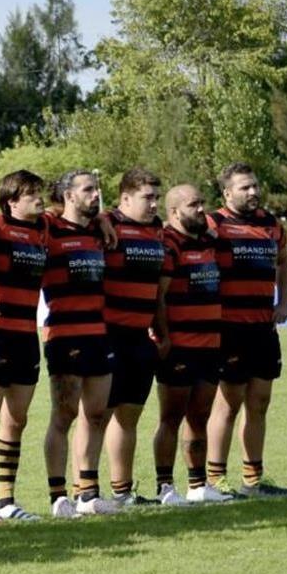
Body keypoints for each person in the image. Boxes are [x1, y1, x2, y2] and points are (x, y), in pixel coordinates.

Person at [205, 162, 287, 497]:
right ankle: (215, 479)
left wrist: (283, 303)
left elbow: (283, 260)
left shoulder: (271, 224)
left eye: (255, 185)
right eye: (245, 187)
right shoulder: (213, 224)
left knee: (260, 402)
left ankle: (253, 480)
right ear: (227, 193)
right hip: (229, 328)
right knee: (228, 404)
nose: (254, 191)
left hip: (263, 329)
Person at [41, 170, 117, 517]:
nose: (95, 194)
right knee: (64, 415)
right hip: (64, 335)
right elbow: (33, 214)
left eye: (96, 189)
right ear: (68, 196)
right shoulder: (50, 227)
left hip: (98, 333)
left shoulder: (98, 231)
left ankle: (88, 494)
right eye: (88, 189)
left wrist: (101, 218)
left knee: (96, 414)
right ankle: (58, 497)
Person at [0, 170, 51, 521]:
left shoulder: (44, 228)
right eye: (31, 194)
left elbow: (72, 213)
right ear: (11, 201)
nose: (40, 199)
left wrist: (102, 219)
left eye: (40, 192)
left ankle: (4, 501)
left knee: (17, 420)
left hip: (26, 335)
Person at [152, 184, 224, 505]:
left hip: (211, 345)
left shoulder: (208, 240)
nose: (201, 209)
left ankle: (198, 485)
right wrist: (164, 337)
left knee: (200, 416)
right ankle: (165, 487)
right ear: (174, 211)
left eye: (202, 203)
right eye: (194, 204)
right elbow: (159, 296)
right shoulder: (168, 244)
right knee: (171, 418)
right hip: (179, 346)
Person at [102, 168, 169, 504]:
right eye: (148, 197)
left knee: (129, 416)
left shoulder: (157, 229)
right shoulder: (106, 223)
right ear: (125, 198)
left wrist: (161, 331)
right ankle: (84, 492)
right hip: (108, 335)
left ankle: (122, 491)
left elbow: (158, 290)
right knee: (98, 417)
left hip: (141, 337)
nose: (154, 203)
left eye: (157, 197)